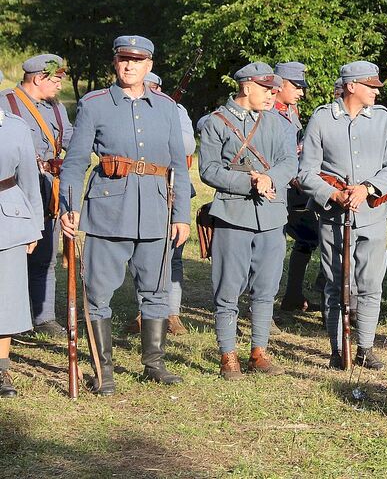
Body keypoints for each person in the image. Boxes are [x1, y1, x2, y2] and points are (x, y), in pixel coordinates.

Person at [59, 35, 191, 395]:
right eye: (123, 59)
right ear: (115, 63)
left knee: (156, 291)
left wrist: (181, 214)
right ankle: (104, 372)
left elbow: (178, 164)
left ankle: (154, 364)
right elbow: (73, 164)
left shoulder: (166, 108)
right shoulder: (94, 105)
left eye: (137, 60)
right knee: (98, 293)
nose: (130, 66)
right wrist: (68, 208)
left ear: (149, 66)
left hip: (155, 209)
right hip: (108, 210)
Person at [298, 61, 387, 370]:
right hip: (333, 215)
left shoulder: (383, 120)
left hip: (372, 213)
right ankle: (337, 349)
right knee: (335, 284)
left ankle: (365, 347)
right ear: (351, 86)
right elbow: (306, 172)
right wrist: (333, 193)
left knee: (371, 283)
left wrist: (368, 188)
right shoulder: (322, 119)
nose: (376, 91)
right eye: (370, 86)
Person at [199, 62, 297, 380]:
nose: (272, 94)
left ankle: (259, 352)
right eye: (266, 88)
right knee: (228, 289)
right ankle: (228, 356)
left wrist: (269, 178)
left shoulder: (279, 123)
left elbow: (289, 162)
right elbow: (209, 170)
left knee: (266, 288)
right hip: (233, 214)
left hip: (271, 215)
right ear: (246, 87)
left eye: (274, 89)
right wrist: (248, 183)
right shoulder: (216, 123)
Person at [0, 54, 72, 337]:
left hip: (49, 187)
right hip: (15, 189)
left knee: (46, 255)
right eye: (56, 80)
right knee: (13, 256)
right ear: (39, 78)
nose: (59, 86)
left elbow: (69, 140)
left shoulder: (57, 108)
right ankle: (11, 319)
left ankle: (44, 317)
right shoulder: (6, 103)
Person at [125, 71, 196, 336]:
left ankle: (172, 313)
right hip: (143, 187)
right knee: (141, 255)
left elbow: (187, 144)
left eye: (153, 87)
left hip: (173, 188)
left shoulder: (175, 110)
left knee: (174, 255)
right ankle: (144, 312)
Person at [273, 62, 324, 314]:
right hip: (272, 189)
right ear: (279, 84)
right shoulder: (266, 109)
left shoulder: (290, 110)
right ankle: (257, 307)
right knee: (268, 249)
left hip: (292, 189)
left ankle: (293, 295)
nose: (301, 92)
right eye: (296, 86)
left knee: (308, 237)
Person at [0, 109, 44, 397]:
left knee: (7, 296)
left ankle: (0, 368)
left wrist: (35, 226)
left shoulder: (15, 127)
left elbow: (29, 179)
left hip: (8, 218)